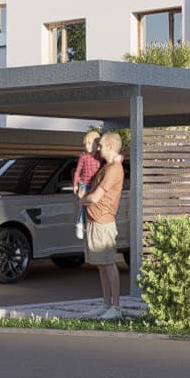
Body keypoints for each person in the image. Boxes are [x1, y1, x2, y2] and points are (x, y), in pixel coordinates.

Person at [81, 131, 125, 320]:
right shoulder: (107, 167)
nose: (97, 148)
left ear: (110, 147)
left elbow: (96, 196)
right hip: (95, 222)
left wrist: (83, 200)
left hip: (103, 223)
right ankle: (106, 304)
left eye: (101, 145)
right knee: (101, 264)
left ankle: (115, 307)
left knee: (108, 264)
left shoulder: (114, 169)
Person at [71, 130, 102, 241]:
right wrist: (75, 185)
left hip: (95, 185)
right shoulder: (83, 157)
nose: (86, 146)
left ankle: (92, 224)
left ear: (96, 144)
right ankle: (80, 224)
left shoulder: (100, 157)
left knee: (93, 205)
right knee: (83, 205)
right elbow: (77, 171)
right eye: (85, 144)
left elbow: (110, 162)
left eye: (89, 143)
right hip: (84, 185)